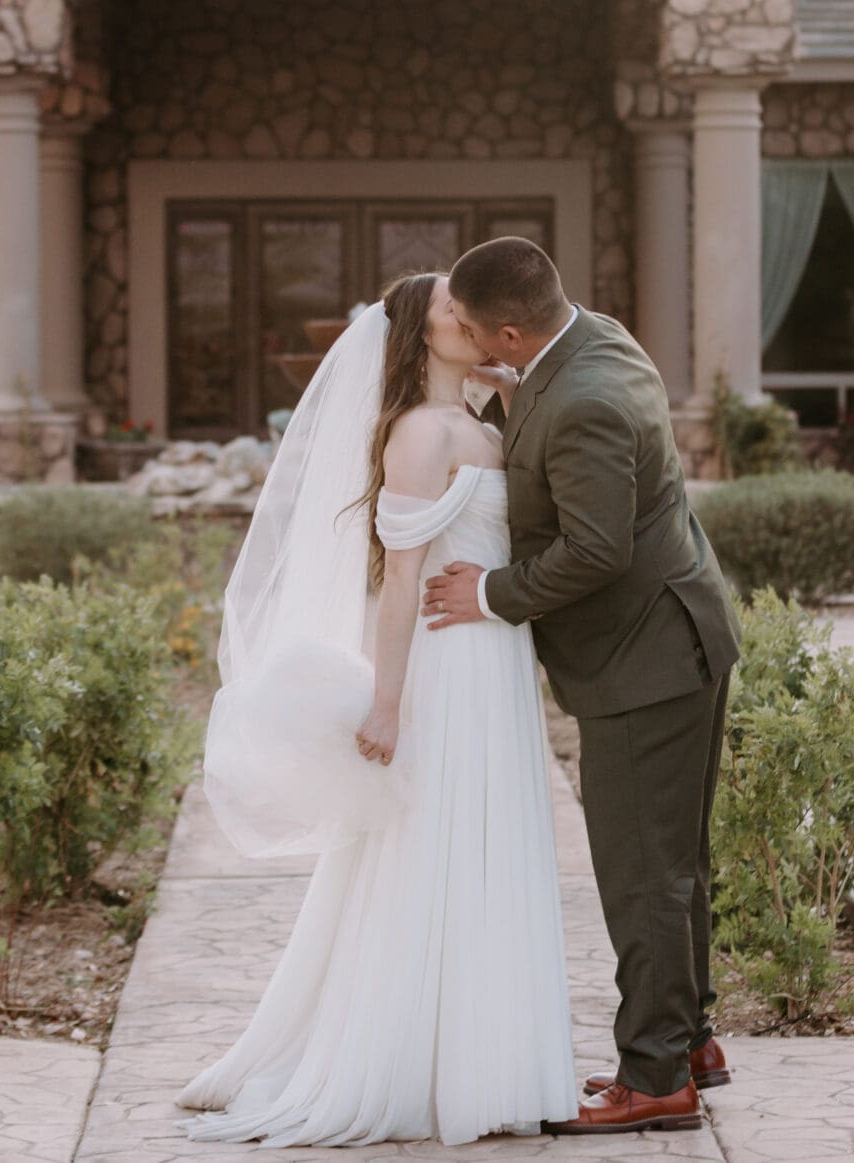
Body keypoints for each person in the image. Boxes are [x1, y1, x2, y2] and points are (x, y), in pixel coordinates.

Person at [179, 271, 578, 1145]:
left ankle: (491, 1053)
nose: (468, 318)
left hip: (497, 658)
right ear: (419, 335)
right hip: (450, 666)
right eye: (450, 310)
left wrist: (508, 391)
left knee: (494, 840)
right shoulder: (415, 435)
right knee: (435, 844)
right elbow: (399, 582)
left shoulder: (479, 418)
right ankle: (423, 1063)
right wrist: (388, 701)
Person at [423, 236, 742, 1138]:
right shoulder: (594, 336)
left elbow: (596, 550)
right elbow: (552, 408)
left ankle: (654, 1079)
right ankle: (691, 1042)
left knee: (643, 876)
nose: (477, 345)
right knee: (675, 861)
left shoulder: (587, 400)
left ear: (514, 329)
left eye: (486, 334)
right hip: (680, 636)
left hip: (646, 659)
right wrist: (513, 388)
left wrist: (487, 592)